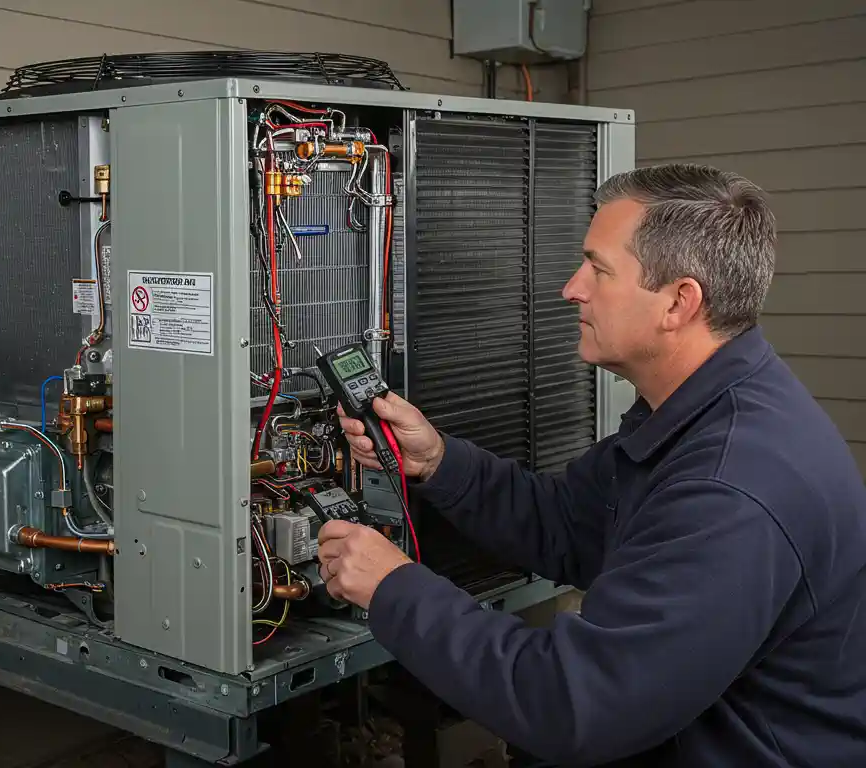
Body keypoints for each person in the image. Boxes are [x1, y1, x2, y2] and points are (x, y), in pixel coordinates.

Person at [317, 163, 866, 767]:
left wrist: (393, 588)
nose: (571, 289)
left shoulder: (731, 486)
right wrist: (438, 462)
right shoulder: (698, 411)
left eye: (598, 269)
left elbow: (574, 706)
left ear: (678, 302)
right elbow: (569, 523)